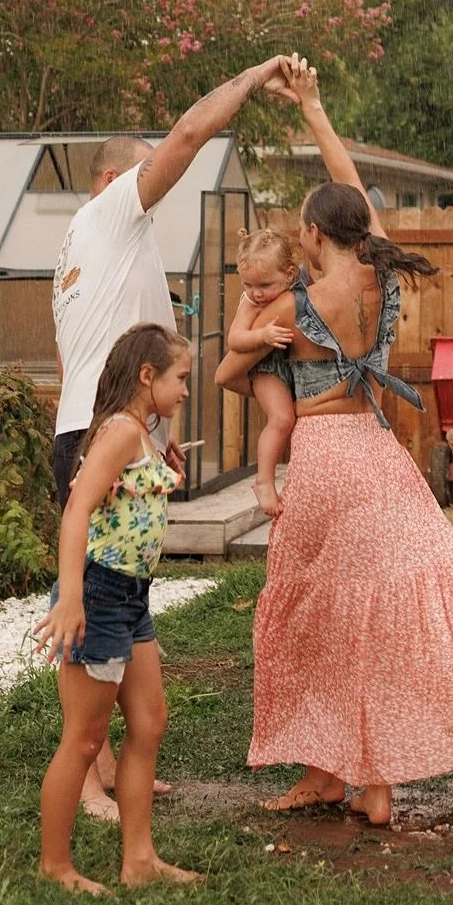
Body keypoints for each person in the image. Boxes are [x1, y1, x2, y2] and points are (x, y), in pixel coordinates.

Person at [242, 59, 453, 826]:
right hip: (378, 453)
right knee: (377, 613)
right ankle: (368, 780)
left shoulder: (298, 297)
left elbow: (240, 354)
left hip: (321, 459)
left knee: (319, 614)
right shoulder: (380, 278)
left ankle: (332, 771)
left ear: (314, 234)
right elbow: (356, 194)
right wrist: (318, 114)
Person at [51, 56, 291, 818]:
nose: (152, 186)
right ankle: (86, 780)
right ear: (113, 181)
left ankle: (118, 764)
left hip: (115, 431)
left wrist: (160, 434)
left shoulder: (93, 247)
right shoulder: (110, 212)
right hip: (102, 437)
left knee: (123, 594)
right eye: (140, 176)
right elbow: (189, 133)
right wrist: (251, 80)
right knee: (94, 601)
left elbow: (118, 348)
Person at [33, 322, 202, 894]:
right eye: (181, 379)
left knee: (150, 722)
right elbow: (76, 510)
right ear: (147, 375)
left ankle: (139, 861)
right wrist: (72, 598)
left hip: (133, 598)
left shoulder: (141, 432)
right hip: (100, 596)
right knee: (84, 738)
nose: (185, 391)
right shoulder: (121, 433)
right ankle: (55, 867)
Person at [215, 228, 302, 519]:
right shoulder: (251, 302)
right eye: (248, 284)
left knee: (293, 421)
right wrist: (262, 336)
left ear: (290, 274)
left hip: (289, 366)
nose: (256, 292)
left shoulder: (298, 291)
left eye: (264, 284)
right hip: (266, 367)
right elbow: (235, 340)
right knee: (281, 418)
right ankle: (264, 480)